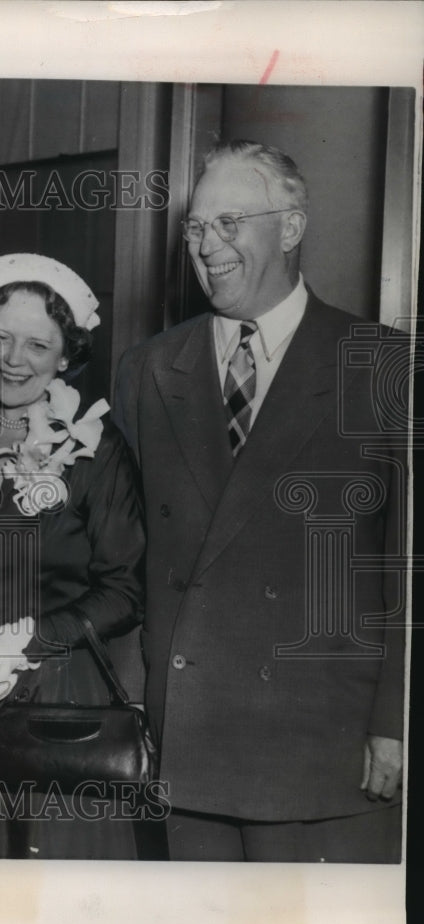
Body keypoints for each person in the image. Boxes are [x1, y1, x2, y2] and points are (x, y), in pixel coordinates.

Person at [113, 140, 406, 862]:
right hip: (186, 733)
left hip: (325, 743)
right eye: (196, 228)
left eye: (230, 223)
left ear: (292, 228)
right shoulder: (149, 369)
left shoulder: (382, 365)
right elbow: (119, 557)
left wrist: (397, 718)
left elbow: (409, 562)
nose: (207, 246)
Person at [0, 253, 146, 858]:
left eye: (37, 345)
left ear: (66, 354)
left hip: (55, 697)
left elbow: (123, 589)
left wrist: (31, 639)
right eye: (0, 338)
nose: (14, 360)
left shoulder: (98, 448)